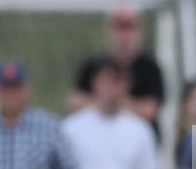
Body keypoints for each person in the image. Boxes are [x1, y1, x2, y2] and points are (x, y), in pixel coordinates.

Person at [63, 57, 160, 169]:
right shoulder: (70, 129)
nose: (113, 88)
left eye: (119, 81)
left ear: (127, 86)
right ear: (94, 83)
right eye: (107, 80)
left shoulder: (141, 130)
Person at [69, 8, 165, 139]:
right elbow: (75, 101)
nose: (124, 36)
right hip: (98, 139)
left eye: (129, 28)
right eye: (119, 28)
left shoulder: (151, 68)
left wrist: (112, 103)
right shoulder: (93, 65)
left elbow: (150, 110)